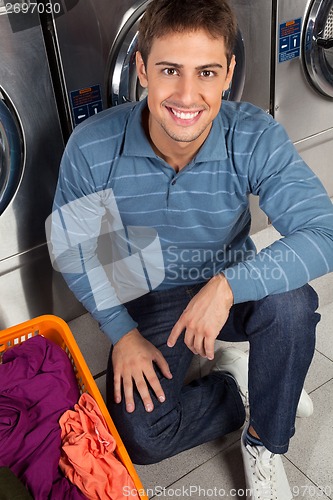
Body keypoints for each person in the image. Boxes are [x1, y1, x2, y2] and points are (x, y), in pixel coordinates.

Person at [48, 0, 333, 498]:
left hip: (231, 283)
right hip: (152, 300)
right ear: (141, 70)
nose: (187, 94)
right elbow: (72, 248)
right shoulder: (92, 145)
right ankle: (241, 385)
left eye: (206, 71)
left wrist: (227, 286)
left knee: (291, 307)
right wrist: (122, 335)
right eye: (168, 70)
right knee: (142, 437)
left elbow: (325, 233)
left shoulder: (253, 135)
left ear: (228, 73)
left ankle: (265, 441)